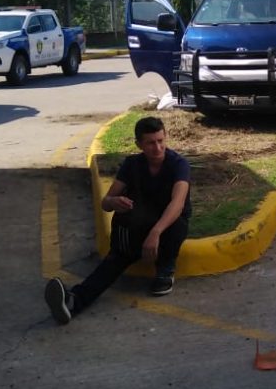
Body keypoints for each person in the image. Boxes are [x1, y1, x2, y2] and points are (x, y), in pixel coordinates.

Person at [45, 116, 191, 325]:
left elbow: (177, 205)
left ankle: (165, 270)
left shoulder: (178, 164)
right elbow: (106, 203)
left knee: (176, 223)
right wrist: (115, 201)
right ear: (139, 144)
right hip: (139, 224)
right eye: (150, 143)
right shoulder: (132, 165)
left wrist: (156, 233)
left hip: (168, 225)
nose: (157, 148)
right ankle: (72, 302)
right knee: (115, 260)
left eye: (161, 141)